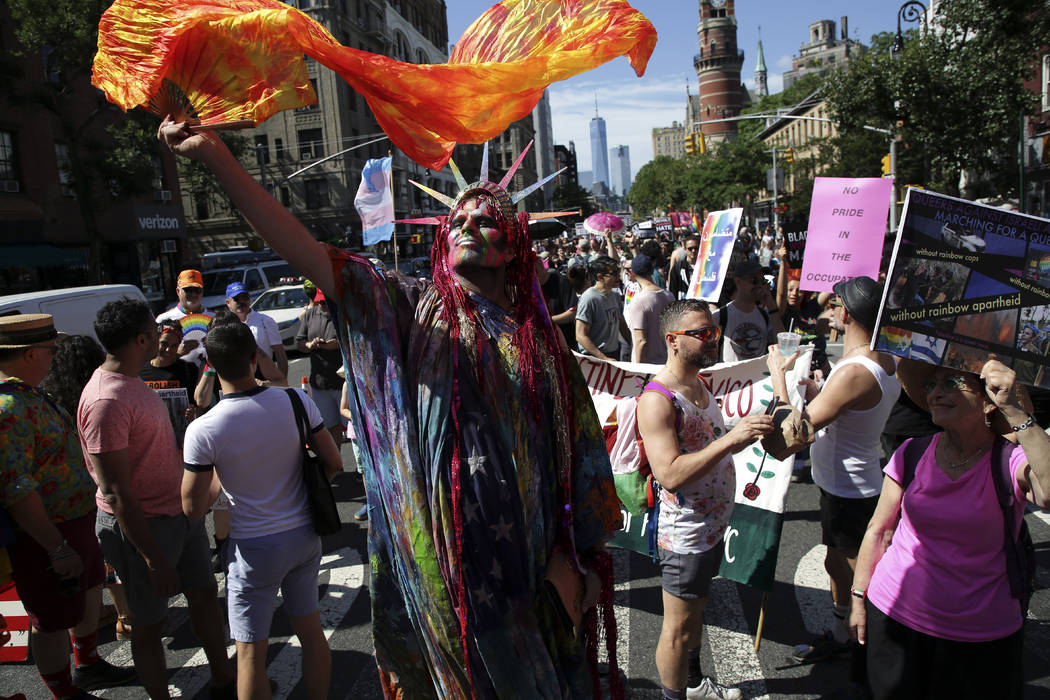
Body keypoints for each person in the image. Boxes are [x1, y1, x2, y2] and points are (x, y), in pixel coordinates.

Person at [160, 123, 622, 699]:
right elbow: (308, 252)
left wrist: (575, 558)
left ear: (514, 245)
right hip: (442, 559)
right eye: (457, 221)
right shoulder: (407, 308)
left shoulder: (543, 346)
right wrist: (217, 159)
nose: (467, 226)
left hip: (532, 568)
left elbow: (575, 457)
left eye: (485, 220)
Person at [850, 359, 1050, 700]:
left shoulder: (1010, 459)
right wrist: (858, 599)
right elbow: (879, 531)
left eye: (951, 383)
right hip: (894, 616)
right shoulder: (912, 452)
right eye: (931, 385)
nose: (935, 394)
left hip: (981, 633)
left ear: (989, 398)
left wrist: (1016, 413)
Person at [77, 300, 235, 700]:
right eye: (157, 328)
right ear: (141, 339)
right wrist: (152, 557)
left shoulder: (132, 382)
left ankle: (224, 681)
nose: (168, 334)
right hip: (144, 528)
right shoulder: (105, 401)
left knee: (204, 599)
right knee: (148, 624)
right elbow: (115, 490)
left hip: (178, 515)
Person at [182, 322, 342, 700]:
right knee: (311, 632)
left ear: (211, 365)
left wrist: (224, 483)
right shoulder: (293, 400)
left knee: (251, 653)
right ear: (255, 358)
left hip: (252, 547)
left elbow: (192, 506)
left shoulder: (203, 429)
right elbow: (333, 461)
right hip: (303, 533)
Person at [637, 299, 773, 700]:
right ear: (673, 341)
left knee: (695, 612)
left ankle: (693, 684)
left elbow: (707, 440)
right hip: (686, 535)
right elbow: (669, 474)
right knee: (677, 629)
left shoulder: (699, 382)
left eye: (713, 331)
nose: (713, 338)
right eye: (702, 333)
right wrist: (732, 439)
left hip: (711, 528)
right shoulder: (657, 400)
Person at [0, 315, 136, 699]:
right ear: (29, 354)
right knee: (52, 618)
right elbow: (17, 489)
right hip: (48, 532)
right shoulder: (9, 407)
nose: (55, 356)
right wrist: (56, 548)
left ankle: (88, 663)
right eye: (50, 349)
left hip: (73, 520)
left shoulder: (28, 393)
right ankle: (64, 691)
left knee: (88, 589)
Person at [766, 276, 901, 663]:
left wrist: (779, 376)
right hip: (844, 483)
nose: (829, 309)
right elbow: (848, 407)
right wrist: (818, 393)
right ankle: (843, 635)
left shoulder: (856, 370)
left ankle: (874, 654)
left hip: (851, 489)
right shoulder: (881, 356)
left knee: (863, 577)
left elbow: (795, 433)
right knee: (834, 562)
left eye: (834, 303)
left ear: (846, 311)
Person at [39, 335, 134, 643]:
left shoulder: (48, 401)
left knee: (86, 563)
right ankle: (125, 616)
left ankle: (102, 615)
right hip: (92, 490)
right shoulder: (97, 398)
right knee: (109, 553)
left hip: (59, 498)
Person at [295, 288, 344, 447]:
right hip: (320, 381)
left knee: (353, 427)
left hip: (342, 382)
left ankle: (362, 469)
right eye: (320, 302)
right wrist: (309, 345)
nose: (322, 305)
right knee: (329, 427)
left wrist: (335, 344)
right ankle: (337, 468)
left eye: (325, 302)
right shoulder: (310, 314)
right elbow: (300, 342)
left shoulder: (342, 313)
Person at [138, 320, 200, 445]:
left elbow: (199, 406)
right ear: (155, 341)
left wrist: (193, 412)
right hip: (147, 438)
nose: (168, 350)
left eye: (174, 346)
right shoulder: (139, 370)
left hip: (179, 439)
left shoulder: (189, 369)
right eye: (164, 344)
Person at [712, 259, 783, 363]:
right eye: (754, 281)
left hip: (758, 377)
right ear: (738, 281)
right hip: (730, 378)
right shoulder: (721, 316)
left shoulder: (765, 315)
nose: (759, 285)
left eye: (762, 281)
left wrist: (772, 306)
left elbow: (782, 346)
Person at [224, 282, 288, 380]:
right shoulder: (224, 326)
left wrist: (282, 382)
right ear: (228, 303)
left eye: (245, 298)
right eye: (237, 299)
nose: (242, 302)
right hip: (237, 378)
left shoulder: (265, 321)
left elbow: (280, 354)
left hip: (264, 376)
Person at [576, 255, 631, 362]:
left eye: (618, 271)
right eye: (614, 273)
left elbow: (622, 325)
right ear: (600, 277)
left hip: (613, 354)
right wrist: (604, 358)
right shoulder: (589, 298)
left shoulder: (615, 295)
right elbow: (580, 335)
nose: (618, 276)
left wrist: (633, 345)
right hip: (594, 358)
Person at [155, 269, 214, 364]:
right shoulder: (163, 319)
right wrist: (178, 353)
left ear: (202, 292)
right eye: (188, 290)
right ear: (178, 291)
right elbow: (154, 357)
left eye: (197, 290)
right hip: (177, 375)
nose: (193, 294)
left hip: (208, 374)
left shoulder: (213, 318)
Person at [625, 254, 674, 365]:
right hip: (667, 363)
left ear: (633, 273)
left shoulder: (638, 301)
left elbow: (641, 341)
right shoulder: (669, 296)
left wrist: (638, 371)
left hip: (648, 368)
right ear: (652, 271)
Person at [535, 258, 578, 347]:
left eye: (534, 270)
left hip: (567, 342)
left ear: (541, 266)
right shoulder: (532, 288)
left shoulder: (562, 281)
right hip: (546, 343)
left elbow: (573, 312)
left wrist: (548, 321)